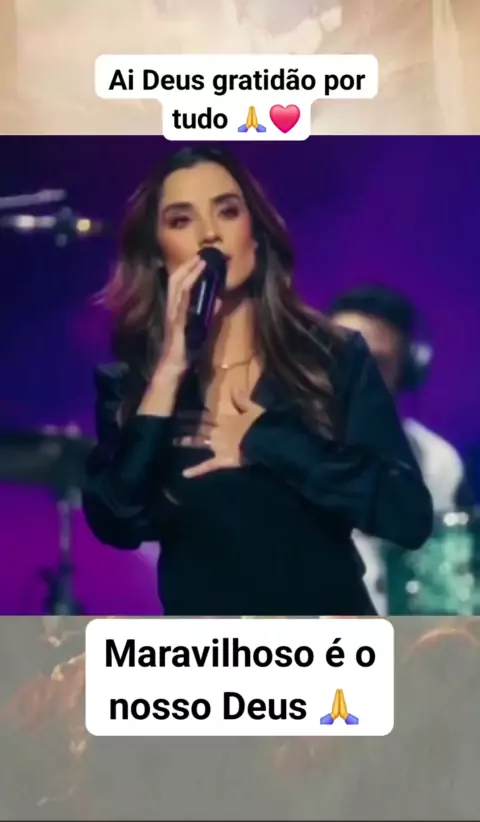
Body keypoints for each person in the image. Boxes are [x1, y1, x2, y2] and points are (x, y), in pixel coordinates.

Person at [81, 145, 433, 616]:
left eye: (227, 211)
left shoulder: (329, 358)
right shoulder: (135, 383)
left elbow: (407, 515)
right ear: (159, 255)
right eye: (181, 220)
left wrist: (266, 441)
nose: (210, 233)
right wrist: (169, 368)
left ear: (256, 236)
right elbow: (116, 518)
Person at [329, 284, 465, 613]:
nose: (350, 374)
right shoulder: (270, 449)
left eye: (374, 362)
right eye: (336, 355)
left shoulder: (436, 462)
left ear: (406, 374)